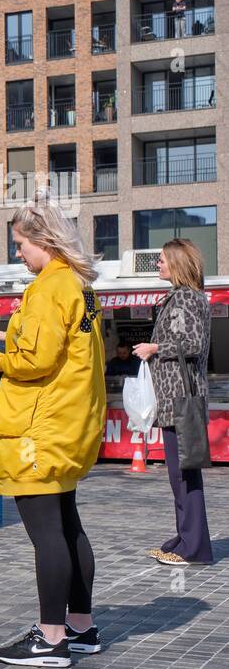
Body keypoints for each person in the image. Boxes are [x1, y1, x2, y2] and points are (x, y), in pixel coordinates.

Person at [0, 192, 106, 668]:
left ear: (44, 241)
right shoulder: (78, 286)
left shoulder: (48, 288)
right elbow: (62, 348)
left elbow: (35, 360)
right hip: (70, 422)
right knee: (68, 526)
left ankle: (50, 638)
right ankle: (79, 626)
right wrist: (9, 335)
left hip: (40, 426)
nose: (17, 252)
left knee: (46, 533)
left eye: (20, 243)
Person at [134, 238, 214, 566]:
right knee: (178, 475)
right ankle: (184, 539)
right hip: (174, 401)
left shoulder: (187, 298)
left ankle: (193, 547)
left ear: (178, 263)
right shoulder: (180, 297)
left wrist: (156, 349)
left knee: (184, 474)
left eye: (163, 260)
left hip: (182, 401)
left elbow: (193, 343)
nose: (158, 264)